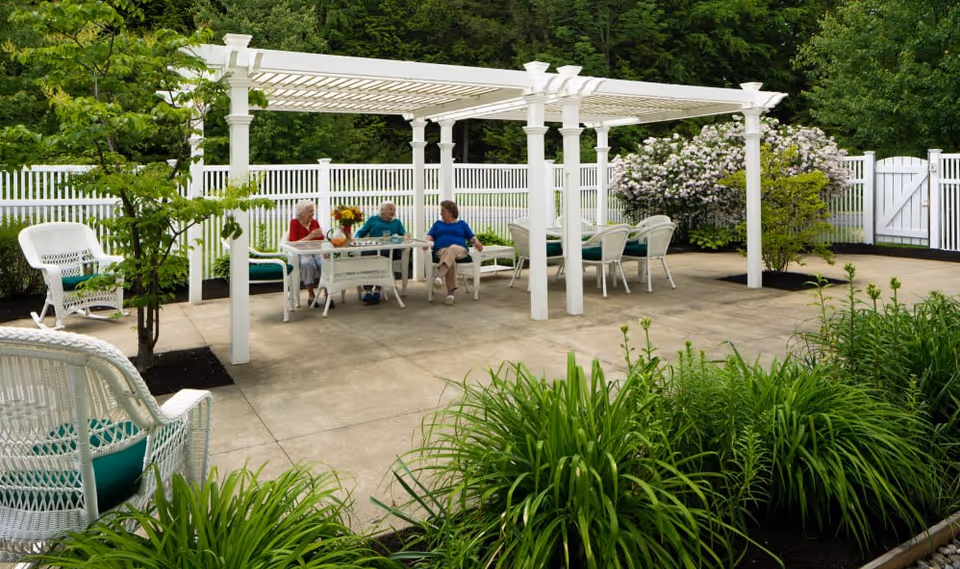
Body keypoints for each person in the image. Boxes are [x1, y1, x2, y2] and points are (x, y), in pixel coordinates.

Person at [426, 200, 483, 306]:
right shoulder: (438, 224)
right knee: (451, 260)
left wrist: (477, 242)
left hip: (460, 251)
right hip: (441, 251)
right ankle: (450, 295)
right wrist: (427, 243)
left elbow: (472, 237)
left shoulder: (462, 224)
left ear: (450, 212)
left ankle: (440, 276)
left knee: (452, 248)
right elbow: (429, 236)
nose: (441, 213)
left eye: (443, 211)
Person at [355, 201, 406, 305]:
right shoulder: (373, 220)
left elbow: (404, 236)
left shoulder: (396, 223)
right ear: (382, 211)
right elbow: (360, 233)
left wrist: (398, 238)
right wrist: (357, 239)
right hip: (374, 248)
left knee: (379, 256)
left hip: (390, 250)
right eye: (390, 209)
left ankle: (377, 290)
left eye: (394, 210)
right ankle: (369, 291)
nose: (393, 212)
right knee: (367, 255)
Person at [288, 199, 333, 308]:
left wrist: (325, 250)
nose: (313, 214)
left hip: (316, 251)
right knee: (307, 264)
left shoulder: (314, 222)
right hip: (302, 253)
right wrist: (310, 236)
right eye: (310, 211)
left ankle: (327, 295)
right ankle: (311, 295)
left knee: (324, 264)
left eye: (313, 211)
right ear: (301, 212)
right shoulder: (294, 223)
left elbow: (322, 240)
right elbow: (293, 243)